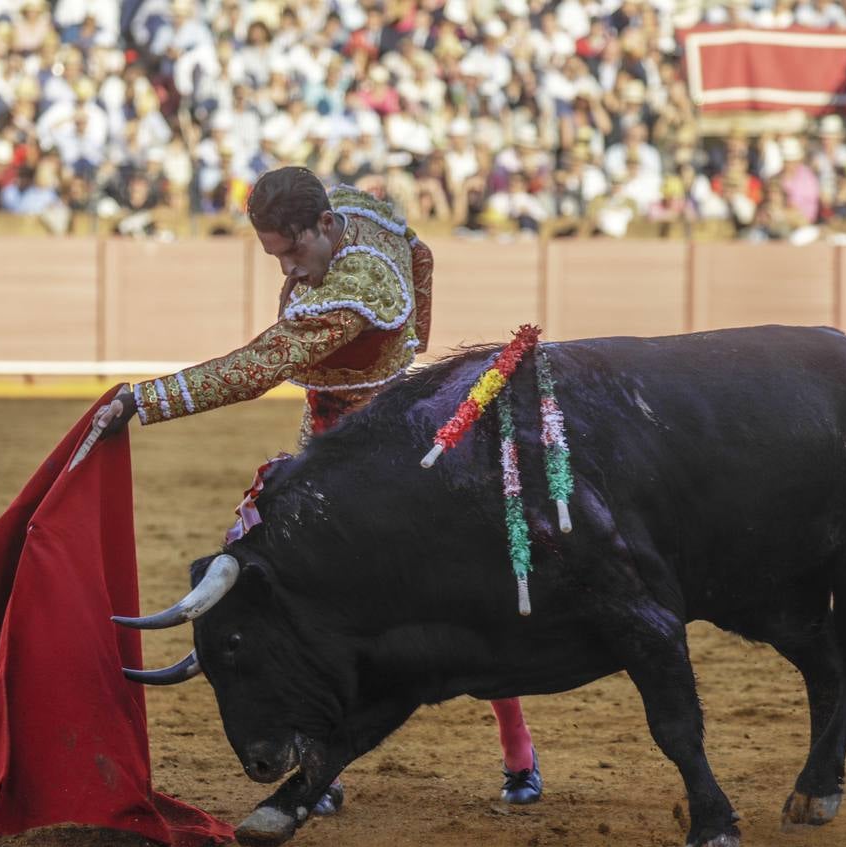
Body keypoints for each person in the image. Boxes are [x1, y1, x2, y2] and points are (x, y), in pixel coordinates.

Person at [94, 166, 544, 811]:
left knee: (460, 589)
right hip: (335, 431)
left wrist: (146, 398)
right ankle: (346, 768)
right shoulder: (357, 212)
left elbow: (256, 369)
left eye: (295, 252)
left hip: (386, 450)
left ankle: (515, 750)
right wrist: (409, 344)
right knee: (316, 598)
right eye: (276, 257)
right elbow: (421, 251)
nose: (289, 273)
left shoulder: (354, 285)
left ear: (325, 225)